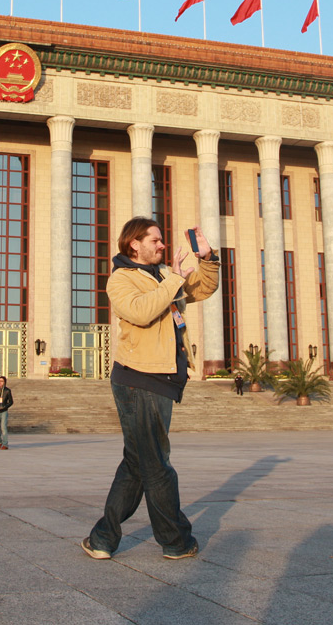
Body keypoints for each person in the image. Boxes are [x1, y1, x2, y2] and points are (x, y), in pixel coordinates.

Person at [81, 217, 220, 561]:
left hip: (163, 379)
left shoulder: (161, 278)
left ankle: (102, 538)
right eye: (155, 240)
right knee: (157, 464)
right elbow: (141, 312)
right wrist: (173, 278)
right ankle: (175, 540)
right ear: (134, 245)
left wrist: (207, 258)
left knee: (137, 464)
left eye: (161, 240)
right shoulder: (121, 278)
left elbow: (202, 289)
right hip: (138, 379)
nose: (161, 245)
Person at [0, 375, 13, 449]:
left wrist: (5, 407)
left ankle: (5, 444)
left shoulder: (7, 390)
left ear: (4, 382)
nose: (0, 382)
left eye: (2, 381)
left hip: (4, 411)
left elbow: (11, 402)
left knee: (3, 427)